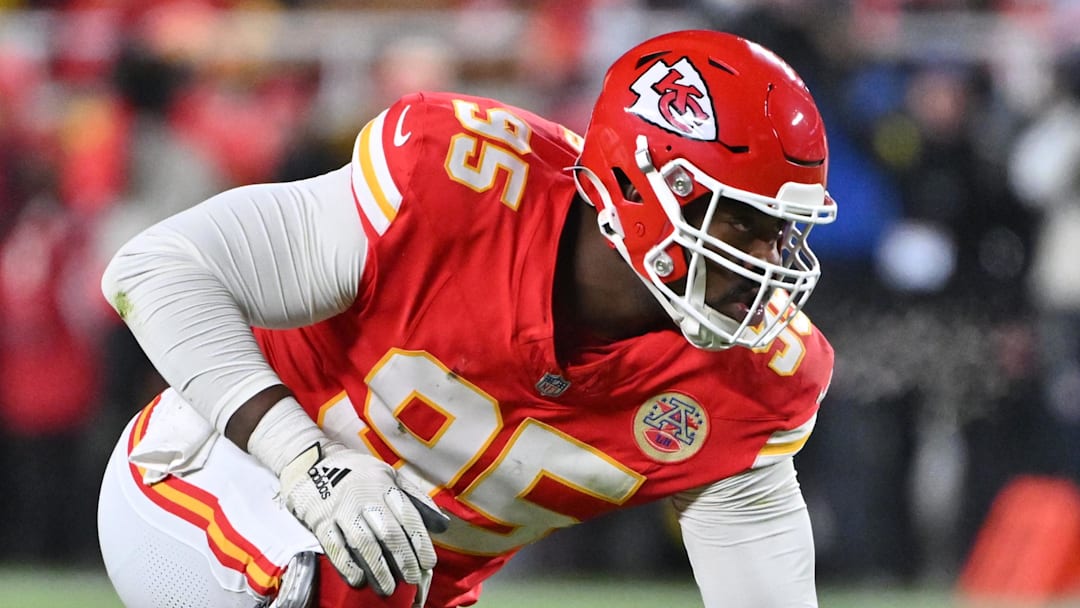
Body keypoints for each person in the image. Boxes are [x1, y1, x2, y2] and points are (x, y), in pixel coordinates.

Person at [96, 29, 838, 608]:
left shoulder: (751, 380)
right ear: (642, 186)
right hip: (208, 481)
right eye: (744, 221)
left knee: (376, 570)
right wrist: (304, 460)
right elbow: (154, 269)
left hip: (396, 587)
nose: (768, 259)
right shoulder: (455, 185)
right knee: (359, 571)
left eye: (785, 229)